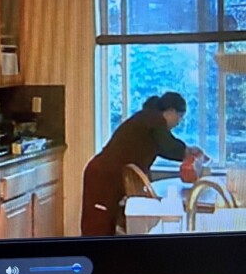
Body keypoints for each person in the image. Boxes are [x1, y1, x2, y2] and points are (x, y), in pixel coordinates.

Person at [80, 92, 204, 236]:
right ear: (171, 111)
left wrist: (187, 151)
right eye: (180, 117)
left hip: (107, 176)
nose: (178, 123)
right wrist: (187, 152)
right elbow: (168, 146)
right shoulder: (154, 120)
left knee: (107, 226)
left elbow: (164, 147)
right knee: (97, 227)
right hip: (102, 177)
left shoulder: (148, 121)